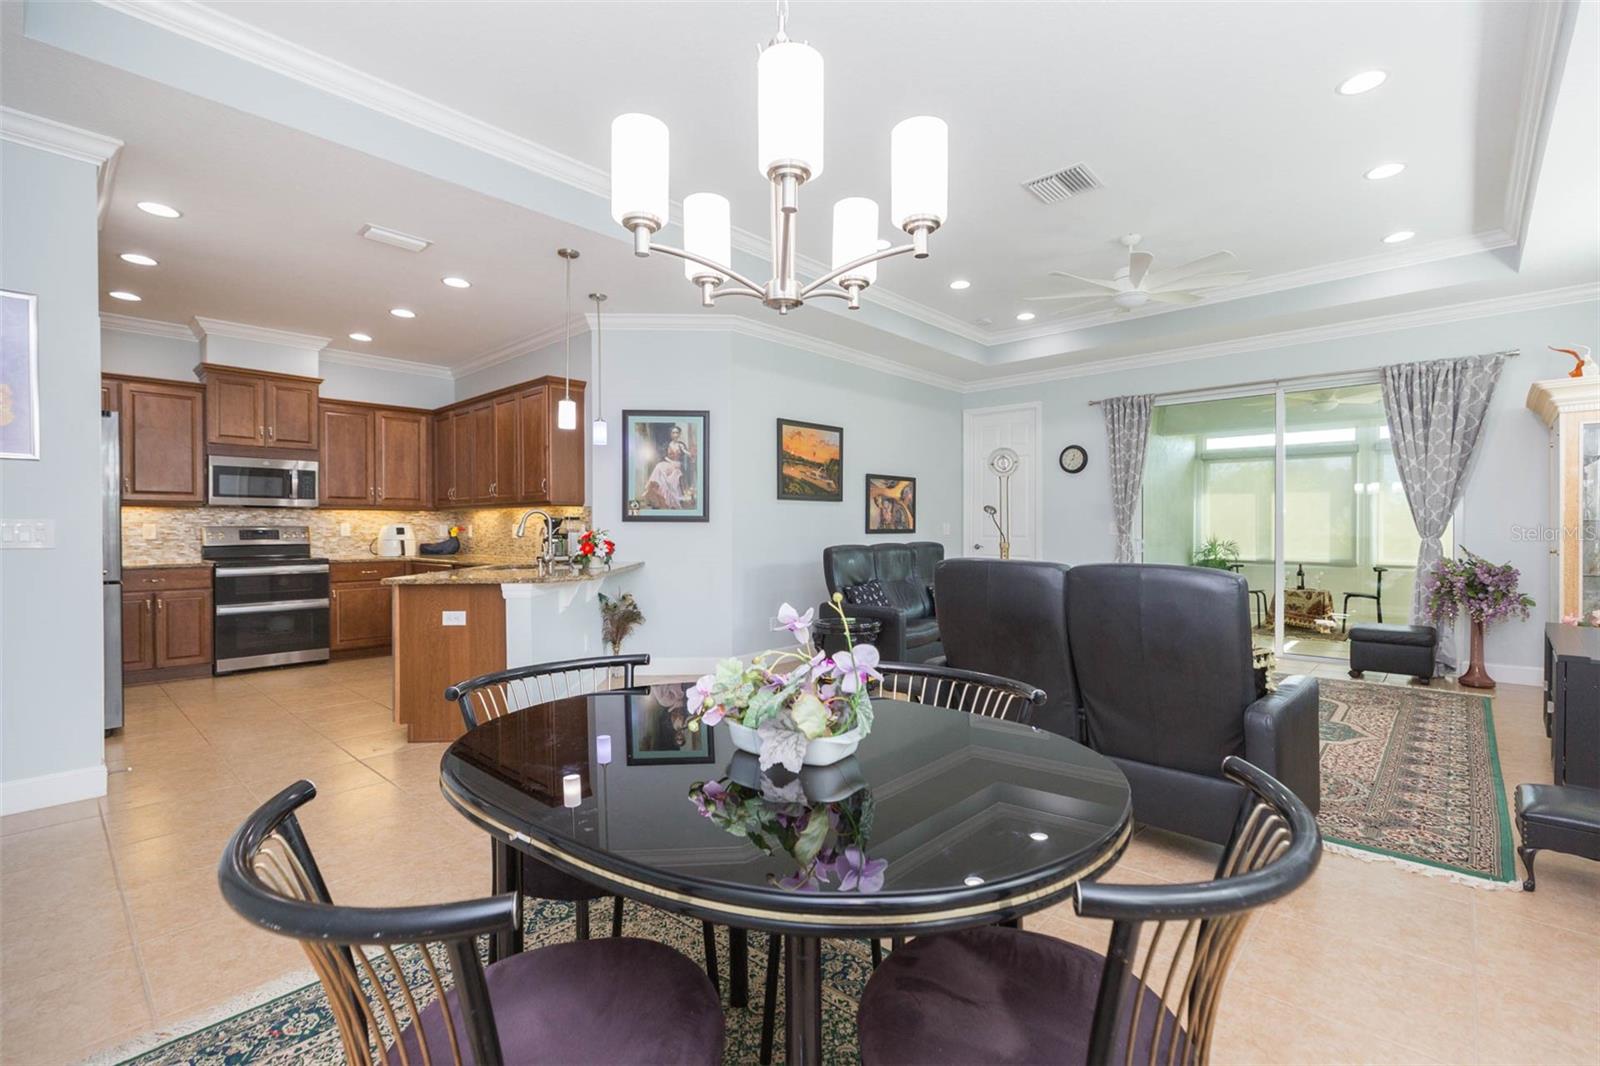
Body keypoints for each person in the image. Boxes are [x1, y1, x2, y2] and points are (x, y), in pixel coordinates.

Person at [643, 424, 692, 510]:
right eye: (673, 433)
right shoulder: (668, 444)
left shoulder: (680, 445)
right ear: (671, 434)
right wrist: (670, 461)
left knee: (666, 472)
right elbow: (665, 456)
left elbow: (686, 452)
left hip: (677, 464)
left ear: (679, 434)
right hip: (670, 463)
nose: (675, 435)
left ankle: (670, 499)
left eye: (677, 433)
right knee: (659, 467)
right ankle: (659, 495)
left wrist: (690, 454)